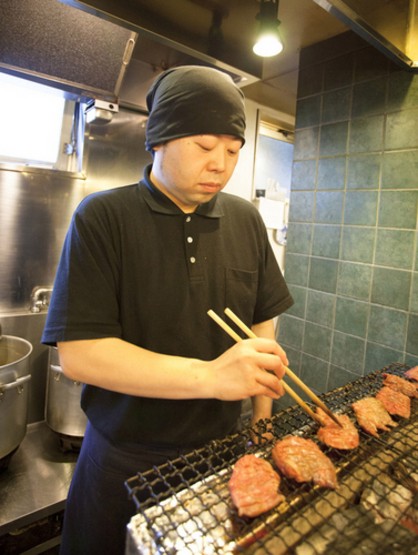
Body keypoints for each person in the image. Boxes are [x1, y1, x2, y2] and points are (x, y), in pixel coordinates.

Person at [42, 65, 294, 554]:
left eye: (233, 151)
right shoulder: (103, 217)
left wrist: (261, 425)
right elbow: (80, 355)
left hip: (222, 454)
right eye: (204, 146)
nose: (220, 165)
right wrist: (211, 376)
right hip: (124, 459)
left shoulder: (245, 219)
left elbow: (261, 322)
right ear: (158, 139)